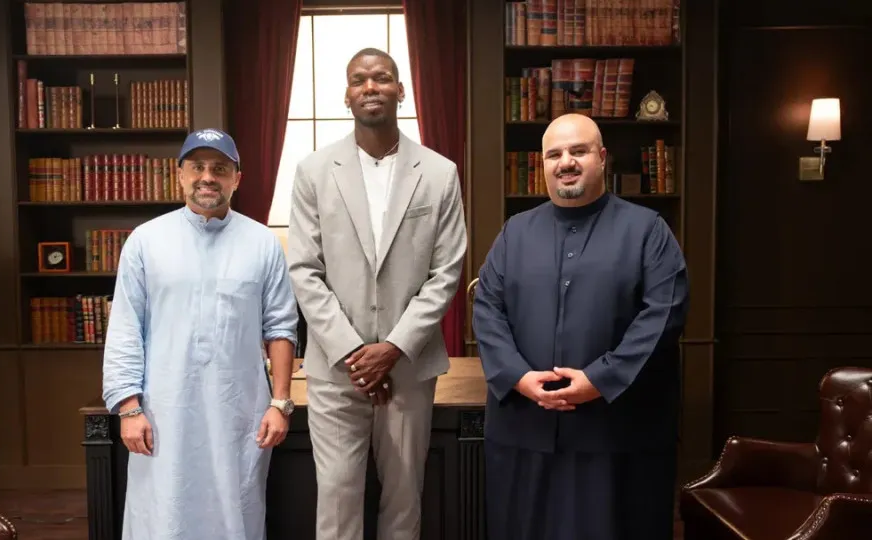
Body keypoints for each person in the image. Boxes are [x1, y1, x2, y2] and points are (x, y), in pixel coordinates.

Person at [472, 113, 689, 540]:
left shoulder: (648, 231)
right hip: (526, 425)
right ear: (543, 164)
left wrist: (600, 379)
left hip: (617, 429)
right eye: (554, 154)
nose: (566, 162)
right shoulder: (515, 233)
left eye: (579, 151)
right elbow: (487, 309)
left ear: (602, 157)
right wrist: (519, 377)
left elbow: (664, 313)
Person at [287, 48, 467, 540]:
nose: (370, 86)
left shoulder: (439, 173)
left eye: (382, 77)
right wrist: (354, 353)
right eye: (359, 80)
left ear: (400, 91)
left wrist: (392, 348)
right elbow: (304, 270)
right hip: (335, 369)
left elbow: (446, 271)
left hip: (408, 366)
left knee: (405, 500)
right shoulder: (313, 171)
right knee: (337, 502)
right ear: (347, 95)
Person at [102, 128, 299, 540]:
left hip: (239, 413)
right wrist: (129, 409)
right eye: (198, 167)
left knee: (237, 513)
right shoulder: (145, 241)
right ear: (180, 175)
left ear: (236, 179)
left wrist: (280, 402)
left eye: (220, 168)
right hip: (163, 411)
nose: (208, 177)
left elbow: (281, 327)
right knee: (163, 515)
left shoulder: (262, 243)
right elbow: (125, 329)